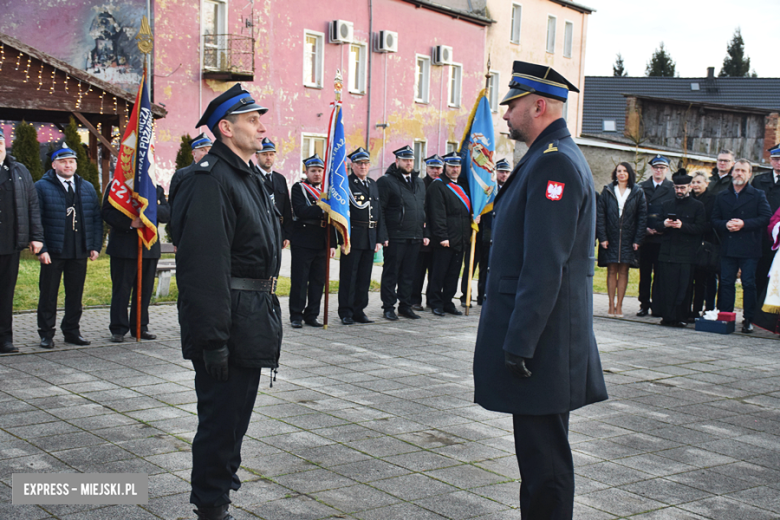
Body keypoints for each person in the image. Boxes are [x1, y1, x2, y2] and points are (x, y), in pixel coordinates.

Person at [473, 61, 607, 520]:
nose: (505, 115)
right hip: (542, 339)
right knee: (536, 458)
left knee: (545, 461)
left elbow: (545, 265)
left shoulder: (556, 165)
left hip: (542, 343)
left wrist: (520, 341)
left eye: (511, 106)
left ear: (540, 105)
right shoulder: (547, 158)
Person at [170, 83, 283, 520]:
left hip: (251, 316)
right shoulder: (211, 180)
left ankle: (220, 495)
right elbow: (203, 268)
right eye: (252, 119)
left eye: (259, 118)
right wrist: (213, 339)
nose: (261, 126)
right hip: (228, 322)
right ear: (225, 128)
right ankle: (212, 506)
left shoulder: (247, 174)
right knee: (220, 423)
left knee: (235, 420)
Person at [34, 144, 102, 349]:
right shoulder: (41, 187)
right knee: (48, 294)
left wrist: (94, 245)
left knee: (75, 294)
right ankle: (46, 334)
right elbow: (37, 220)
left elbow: (96, 219)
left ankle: (72, 331)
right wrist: (42, 248)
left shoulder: (87, 187)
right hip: (53, 250)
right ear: (54, 165)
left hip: (79, 250)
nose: (68, 165)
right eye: (63, 162)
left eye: (71, 162)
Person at [102, 184, 170, 342]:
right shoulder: (118, 184)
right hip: (123, 247)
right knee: (121, 290)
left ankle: (140, 326)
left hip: (148, 247)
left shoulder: (155, 188)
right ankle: (118, 328)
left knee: (145, 290)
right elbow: (107, 212)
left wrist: (148, 208)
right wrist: (130, 222)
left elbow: (166, 214)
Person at [712, 159, 771, 333]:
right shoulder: (722, 196)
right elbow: (714, 219)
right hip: (728, 246)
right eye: (736, 170)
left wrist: (744, 224)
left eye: (743, 171)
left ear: (749, 174)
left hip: (750, 246)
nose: (739, 174)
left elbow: (765, 218)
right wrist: (725, 225)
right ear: (731, 172)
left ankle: (749, 319)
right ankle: (726, 316)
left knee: (749, 283)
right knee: (727, 282)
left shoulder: (758, 195)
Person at [0, 127, 43, 353]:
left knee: (6, 294)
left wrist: (36, 237)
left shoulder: (18, 170)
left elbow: (32, 205)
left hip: (9, 243)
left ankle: (5, 339)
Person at [377, 145, 429, 320]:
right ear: (397, 161)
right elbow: (380, 210)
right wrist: (383, 235)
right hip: (395, 236)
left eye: (411, 160)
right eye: (405, 160)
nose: (408, 163)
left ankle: (405, 306)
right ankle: (388, 307)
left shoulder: (419, 182)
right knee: (391, 273)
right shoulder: (386, 181)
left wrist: (425, 233)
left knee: (409, 274)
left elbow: (424, 209)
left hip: (415, 235)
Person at [337, 147, 386, 325]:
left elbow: (378, 211)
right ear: (352, 165)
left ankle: (359, 310)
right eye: (359, 163)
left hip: (370, 236)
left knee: (364, 277)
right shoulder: (346, 184)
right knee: (349, 276)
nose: (363, 166)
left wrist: (379, 238)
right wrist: (342, 239)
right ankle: (346, 312)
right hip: (353, 236)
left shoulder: (372, 184)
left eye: (366, 163)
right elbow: (341, 214)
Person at [653, 170, 706, 326]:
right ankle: (667, 317)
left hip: (686, 254)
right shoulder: (666, 204)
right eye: (677, 188)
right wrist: (664, 224)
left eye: (682, 188)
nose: (679, 191)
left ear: (689, 187)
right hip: (667, 252)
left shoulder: (698, 206)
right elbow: (655, 224)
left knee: (683, 287)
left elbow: (701, 228)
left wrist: (683, 226)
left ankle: (681, 317)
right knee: (666, 286)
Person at [289, 154, 336, 328]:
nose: (317, 174)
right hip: (303, 239)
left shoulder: (328, 192)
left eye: (320, 171)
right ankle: (296, 314)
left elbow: (333, 218)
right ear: (306, 172)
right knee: (300, 280)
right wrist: (322, 207)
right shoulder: (299, 188)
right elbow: (301, 211)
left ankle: (312, 314)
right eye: (313, 171)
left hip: (323, 239)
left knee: (318, 281)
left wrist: (332, 244)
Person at [596, 162, 647, 317]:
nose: (622, 173)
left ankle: (620, 306)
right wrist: (602, 237)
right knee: (611, 270)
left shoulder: (637, 192)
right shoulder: (607, 191)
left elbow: (642, 217)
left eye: (625, 171)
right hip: (610, 238)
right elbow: (600, 215)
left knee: (624, 271)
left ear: (629, 173)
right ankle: (610, 306)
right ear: (615, 173)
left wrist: (638, 239)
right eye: (619, 171)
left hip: (628, 238)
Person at [426, 151, 472, 316]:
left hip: (461, 237)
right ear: (445, 166)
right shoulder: (438, 186)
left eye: (457, 166)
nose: (455, 169)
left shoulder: (463, 185)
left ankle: (447, 301)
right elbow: (437, 214)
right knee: (439, 273)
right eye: (452, 166)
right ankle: (435, 302)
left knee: (454, 273)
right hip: (445, 238)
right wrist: (442, 236)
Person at [464, 158, 512, 308]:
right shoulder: (487, 188)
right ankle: (465, 296)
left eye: (506, 172)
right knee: (470, 266)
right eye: (501, 171)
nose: (504, 175)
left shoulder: (511, 189)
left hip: (496, 236)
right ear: (495, 172)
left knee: (487, 268)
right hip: (479, 233)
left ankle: (482, 296)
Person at [637, 155, 675, 316]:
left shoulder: (672, 188)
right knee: (644, 274)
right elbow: (637, 211)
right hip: (646, 237)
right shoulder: (641, 187)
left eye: (662, 168)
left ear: (667, 170)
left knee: (660, 274)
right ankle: (644, 304)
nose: (659, 170)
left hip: (662, 236)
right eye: (656, 167)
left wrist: (662, 228)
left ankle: (657, 304)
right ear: (651, 169)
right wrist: (644, 228)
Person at [411, 154, 443, 311]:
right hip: (424, 234)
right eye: (432, 168)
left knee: (435, 272)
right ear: (426, 168)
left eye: (438, 168)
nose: (435, 171)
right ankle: (415, 299)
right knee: (418, 271)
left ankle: (432, 299)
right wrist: (425, 233)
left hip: (438, 236)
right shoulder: (420, 184)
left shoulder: (444, 185)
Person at [751, 143, 780, 296]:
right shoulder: (759, 180)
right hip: (759, 235)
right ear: (770, 160)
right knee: (757, 275)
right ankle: (754, 316)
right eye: (775, 159)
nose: (779, 162)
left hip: (778, 239)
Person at [254, 137, 293, 248]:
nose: (268, 158)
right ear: (257, 155)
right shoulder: (251, 176)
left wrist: (287, 234)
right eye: (264, 154)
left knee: (276, 264)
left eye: (271, 154)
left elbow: (286, 208)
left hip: (278, 230)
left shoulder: (280, 179)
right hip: (258, 230)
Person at [689, 172, 717, 318]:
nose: (695, 185)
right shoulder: (688, 199)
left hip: (707, 244)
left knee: (707, 279)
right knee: (692, 278)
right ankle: (693, 309)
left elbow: (713, 221)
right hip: (690, 243)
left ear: (706, 183)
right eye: (693, 182)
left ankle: (709, 308)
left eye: (699, 182)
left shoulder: (713, 200)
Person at [169, 133, 212, 209]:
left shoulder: (217, 173)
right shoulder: (182, 174)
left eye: (209, 150)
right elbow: (173, 203)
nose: (207, 153)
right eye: (203, 150)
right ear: (193, 153)